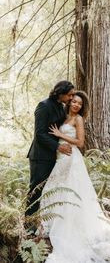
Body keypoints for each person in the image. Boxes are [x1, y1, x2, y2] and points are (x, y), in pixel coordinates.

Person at [39, 91, 110, 263]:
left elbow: (80, 142)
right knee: (56, 192)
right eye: (74, 102)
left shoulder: (78, 119)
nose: (76, 105)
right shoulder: (63, 117)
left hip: (72, 160)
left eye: (79, 103)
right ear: (69, 102)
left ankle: (71, 229)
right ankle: (51, 225)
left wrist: (61, 135)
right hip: (61, 158)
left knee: (71, 193)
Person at [25, 80, 75, 217]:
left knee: (50, 190)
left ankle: (43, 223)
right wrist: (59, 146)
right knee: (36, 190)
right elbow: (39, 133)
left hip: (55, 156)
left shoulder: (61, 107)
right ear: (60, 92)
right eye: (69, 95)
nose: (71, 98)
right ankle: (29, 224)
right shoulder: (44, 106)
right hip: (40, 156)